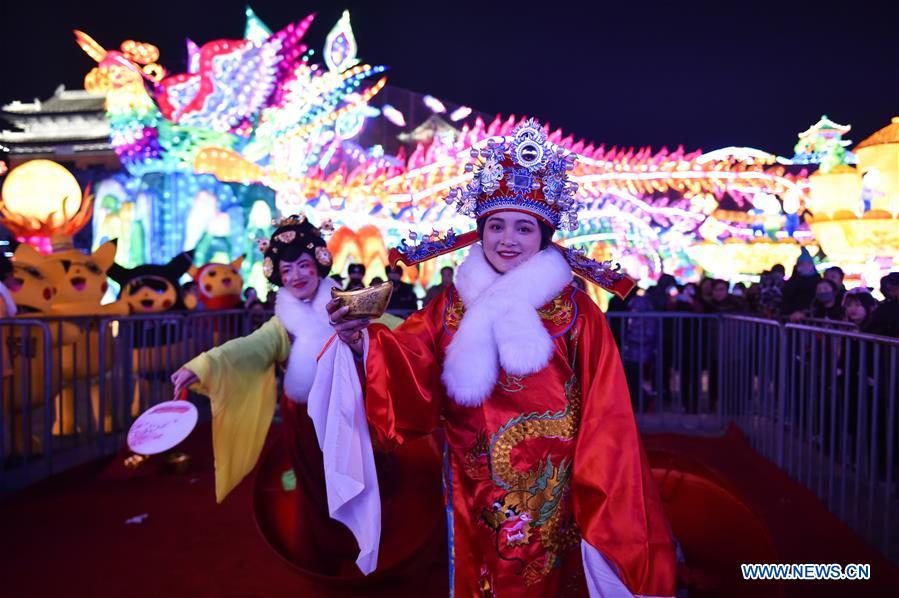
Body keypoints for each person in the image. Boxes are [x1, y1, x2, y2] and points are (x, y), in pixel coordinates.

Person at [329, 120, 675, 597]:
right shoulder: (450, 305)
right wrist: (363, 343)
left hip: (557, 488)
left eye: (523, 227)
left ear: (544, 235)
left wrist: (601, 489)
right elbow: (411, 355)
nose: (507, 238)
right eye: (495, 225)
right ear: (480, 231)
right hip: (471, 484)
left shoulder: (576, 314)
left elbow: (607, 414)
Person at [170, 215, 439, 577]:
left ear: (318, 266)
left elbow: (398, 331)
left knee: (368, 475)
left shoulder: (348, 303)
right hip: (306, 422)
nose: (297, 275)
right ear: (277, 275)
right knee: (318, 491)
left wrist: (440, 340)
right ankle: (326, 554)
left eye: (303, 265)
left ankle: (373, 544)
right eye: (287, 269)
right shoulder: (282, 325)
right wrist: (202, 366)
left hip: (350, 412)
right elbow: (248, 349)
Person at [782, 252, 820, 321]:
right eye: (802, 264)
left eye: (808, 264)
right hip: (791, 317)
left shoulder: (817, 281)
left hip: (810, 318)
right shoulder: (792, 281)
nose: (805, 266)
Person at [863, 272, 899, 338]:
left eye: (894, 289)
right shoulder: (885, 307)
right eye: (889, 290)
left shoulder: (884, 307)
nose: (891, 293)